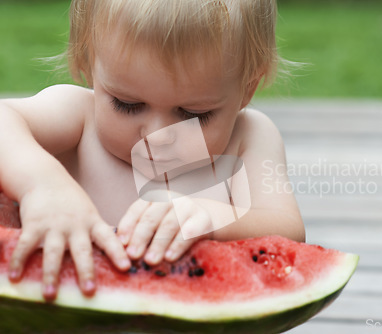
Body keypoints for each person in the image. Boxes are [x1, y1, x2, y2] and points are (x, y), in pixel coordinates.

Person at [0, 0, 304, 301]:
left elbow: (288, 230)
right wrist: (46, 186)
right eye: (127, 104)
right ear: (88, 63)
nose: (157, 135)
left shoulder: (250, 136)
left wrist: (212, 217)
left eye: (193, 113)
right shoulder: (79, 116)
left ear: (247, 89)